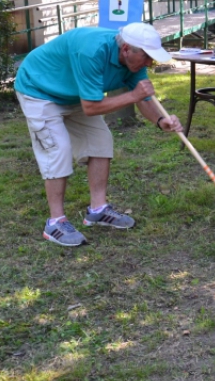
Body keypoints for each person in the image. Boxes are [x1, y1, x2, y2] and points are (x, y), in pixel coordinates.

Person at [14, 22, 183, 247]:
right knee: (57, 149)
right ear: (126, 50)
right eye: (146, 57)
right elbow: (92, 107)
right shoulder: (91, 51)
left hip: (75, 95)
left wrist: (161, 121)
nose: (149, 63)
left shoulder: (134, 61)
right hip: (39, 90)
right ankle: (55, 222)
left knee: (101, 141)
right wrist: (133, 95)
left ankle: (98, 210)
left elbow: (143, 98)